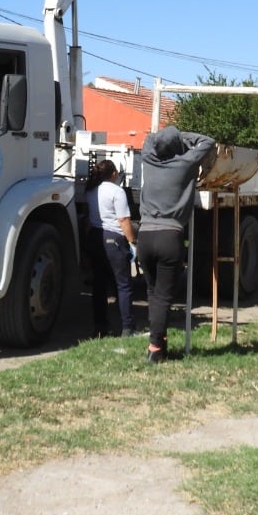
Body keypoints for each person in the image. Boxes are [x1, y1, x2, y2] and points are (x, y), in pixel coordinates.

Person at [135, 126, 217, 363]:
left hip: (145, 236)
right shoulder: (185, 163)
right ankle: (155, 348)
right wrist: (182, 137)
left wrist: (168, 138)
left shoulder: (149, 160)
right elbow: (208, 140)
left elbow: (149, 138)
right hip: (170, 236)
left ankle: (159, 342)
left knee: (153, 294)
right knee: (163, 297)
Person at [82, 158, 135, 338]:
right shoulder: (117, 191)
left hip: (96, 237)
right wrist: (132, 242)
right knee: (123, 285)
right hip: (114, 238)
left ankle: (100, 327)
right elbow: (123, 220)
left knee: (99, 285)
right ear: (114, 174)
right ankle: (127, 328)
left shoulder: (91, 191)